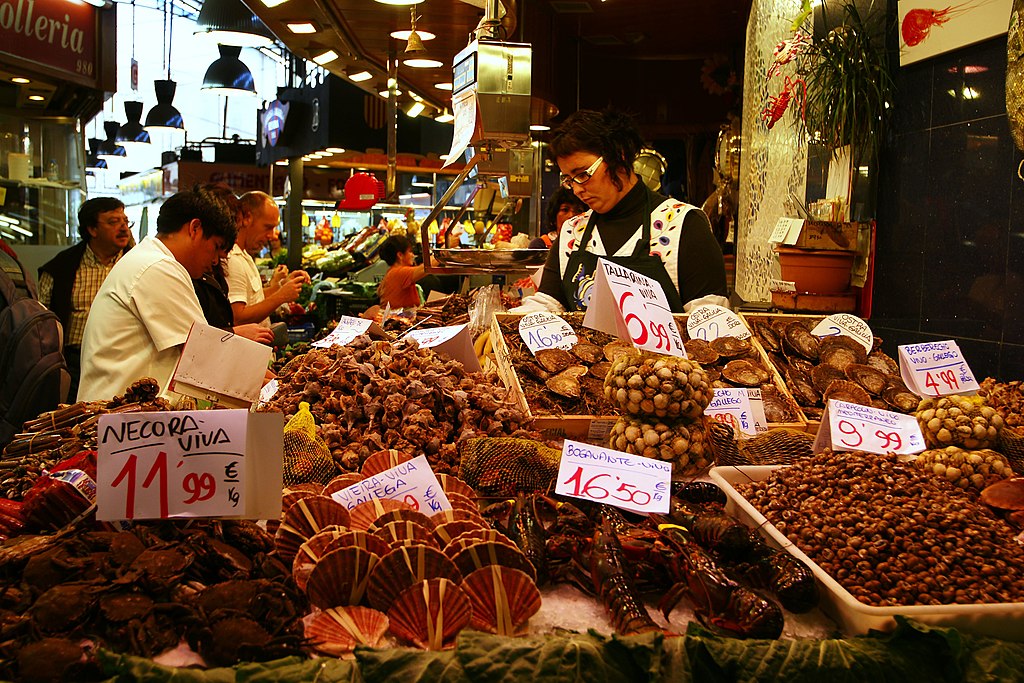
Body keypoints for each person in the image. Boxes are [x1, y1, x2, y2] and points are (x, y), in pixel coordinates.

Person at [515, 109, 729, 314]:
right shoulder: (573, 232)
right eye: (569, 180)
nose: (577, 189)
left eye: (582, 174)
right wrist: (509, 322)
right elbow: (549, 302)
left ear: (620, 156)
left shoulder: (684, 225)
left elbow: (709, 317)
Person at [77, 187, 255, 402]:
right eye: (216, 247)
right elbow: (205, 355)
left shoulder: (150, 260)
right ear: (195, 228)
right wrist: (275, 387)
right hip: (120, 423)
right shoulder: (157, 267)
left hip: (132, 419)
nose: (216, 261)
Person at [38, 197, 133, 398]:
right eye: (113, 222)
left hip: (125, 359)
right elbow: (42, 320)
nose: (124, 228)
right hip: (75, 362)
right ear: (92, 229)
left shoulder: (138, 263)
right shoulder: (62, 267)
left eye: (125, 221)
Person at [225, 191, 309, 327]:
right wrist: (282, 296)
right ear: (247, 218)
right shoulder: (232, 259)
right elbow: (238, 318)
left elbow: (254, 299)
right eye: (268, 227)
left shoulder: (244, 255)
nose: (272, 236)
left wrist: (282, 286)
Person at [377, 234, 433, 309]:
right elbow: (426, 267)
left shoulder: (393, 272)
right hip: (395, 319)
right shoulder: (398, 273)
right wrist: (444, 250)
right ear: (400, 255)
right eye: (410, 252)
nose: (413, 255)